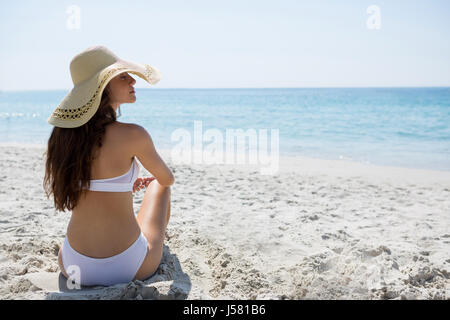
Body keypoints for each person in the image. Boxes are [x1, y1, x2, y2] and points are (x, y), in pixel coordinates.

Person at [43, 45, 174, 287]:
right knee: (159, 186)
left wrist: (121, 184)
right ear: (102, 88)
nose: (133, 80)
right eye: (123, 76)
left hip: (73, 265)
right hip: (129, 266)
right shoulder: (134, 134)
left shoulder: (66, 140)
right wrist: (131, 181)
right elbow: (167, 178)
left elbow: (94, 181)